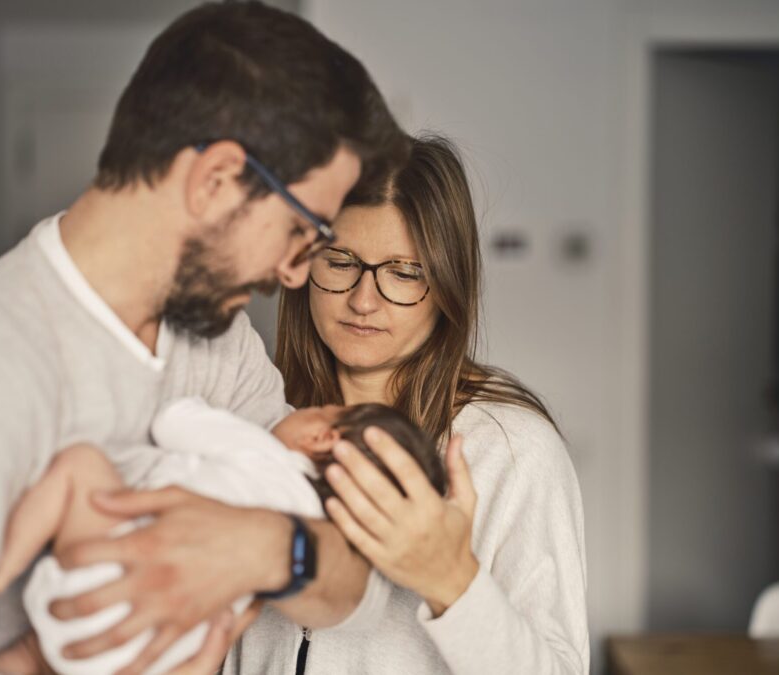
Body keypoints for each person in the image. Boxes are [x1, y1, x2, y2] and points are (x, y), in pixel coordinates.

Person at [0, 2, 409, 673]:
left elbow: (354, 593)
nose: (293, 274)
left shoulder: (216, 339)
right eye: (301, 232)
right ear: (216, 179)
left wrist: (264, 546)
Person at [225, 135, 589, 673]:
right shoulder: (256, 420)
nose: (363, 299)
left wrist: (451, 582)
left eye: (404, 272)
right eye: (342, 260)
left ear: (447, 286)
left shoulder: (512, 450)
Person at [0, 399, 445, 675]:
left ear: (322, 435)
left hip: (101, 580)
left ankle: (2, 570)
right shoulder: (312, 527)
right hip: (157, 656)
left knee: (80, 463)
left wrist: (218, 419)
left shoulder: (261, 453)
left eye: (319, 408)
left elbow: (174, 418)